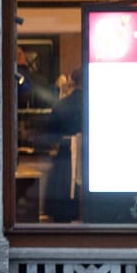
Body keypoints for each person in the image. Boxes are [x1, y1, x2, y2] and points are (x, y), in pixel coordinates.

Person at [42, 67, 84, 223]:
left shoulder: (61, 105)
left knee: (62, 211)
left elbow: (51, 135)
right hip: (91, 158)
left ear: (72, 81)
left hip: (65, 160)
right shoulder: (96, 103)